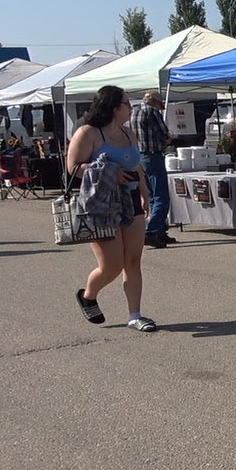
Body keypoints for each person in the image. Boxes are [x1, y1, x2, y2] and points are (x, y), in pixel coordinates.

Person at [66, 85, 157, 333]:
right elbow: (72, 167)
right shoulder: (88, 133)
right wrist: (108, 172)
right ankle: (88, 295)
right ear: (115, 107)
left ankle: (135, 315)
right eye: (127, 104)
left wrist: (145, 192)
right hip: (101, 204)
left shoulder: (128, 133)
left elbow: (136, 165)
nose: (131, 108)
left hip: (131, 200)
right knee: (112, 266)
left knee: (133, 260)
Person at [130, 91, 176, 249]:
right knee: (161, 197)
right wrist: (168, 138)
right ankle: (152, 231)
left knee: (151, 196)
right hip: (153, 155)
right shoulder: (152, 112)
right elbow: (164, 134)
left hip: (139, 156)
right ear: (154, 102)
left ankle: (160, 231)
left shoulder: (134, 112)